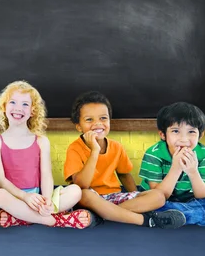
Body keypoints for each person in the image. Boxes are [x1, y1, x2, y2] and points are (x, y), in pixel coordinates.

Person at [63, 91, 185, 229]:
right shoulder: (74, 148)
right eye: (89, 120)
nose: (98, 124)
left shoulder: (116, 147)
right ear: (79, 126)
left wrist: (136, 196)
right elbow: (81, 185)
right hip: (90, 199)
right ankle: (144, 220)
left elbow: (124, 174)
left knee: (158, 196)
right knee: (84, 194)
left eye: (103, 118)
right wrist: (95, 151)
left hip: (114, 197)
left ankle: (104, 214)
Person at [0, 81, 99, 228]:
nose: (18, 108)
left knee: (75, 191)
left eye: (25, 104)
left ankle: (22, 218)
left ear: (32, 111)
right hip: (13, 196)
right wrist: (25, 197)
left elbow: (46, 175)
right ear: (4, 107)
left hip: (37, 197)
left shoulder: (41, 141)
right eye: (13, 102)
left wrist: (46, 200)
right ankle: (54, 220)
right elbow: (0, 180)